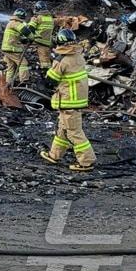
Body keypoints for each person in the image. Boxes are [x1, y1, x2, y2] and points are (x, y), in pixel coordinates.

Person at [39, 29, 94, 171]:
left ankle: (86, 161)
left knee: (74, 132)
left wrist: (47, 69)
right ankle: (54, 155)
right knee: (62, 130)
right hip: (77, 100)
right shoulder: (78, 56)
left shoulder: (61, 60)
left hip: (68, 101)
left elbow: (50, 81)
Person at [1, 9, 31, 86]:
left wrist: (23, 39)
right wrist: (32, 37)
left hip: (6, 48)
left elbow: (17, 36)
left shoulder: (11, 23)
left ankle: (8, 83)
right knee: (23, 63)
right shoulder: (15, 23)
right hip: (12, 49)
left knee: (11, 67)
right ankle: (24, 82)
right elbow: (25, 31)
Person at [26, 1, 56, 69]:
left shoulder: (37, 17)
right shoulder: (50, 19)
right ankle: (49, 70)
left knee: (43, 59)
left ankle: (45, 71)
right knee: (46, 57)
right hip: (47, 42)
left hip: (38, 40)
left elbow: (30, 29)